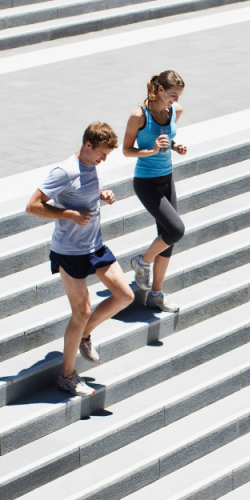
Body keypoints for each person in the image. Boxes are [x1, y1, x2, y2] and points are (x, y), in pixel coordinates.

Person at [26, 122, 135, 397]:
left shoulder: (90, 166)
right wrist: (69, 215)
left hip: (94, 246)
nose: (104, 159)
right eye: (102, 153)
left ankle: (84, 335)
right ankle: (66, 376)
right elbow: (33, 206)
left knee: (124, 295)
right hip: (69, 251)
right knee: (82, 311)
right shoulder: (64, 171)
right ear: (88, 145)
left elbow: (81, 192)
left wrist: (102, 195)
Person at [123, 70, 189, 312]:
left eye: (178, 96)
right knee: (176, 230)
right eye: (173, 95)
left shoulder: (175, 111)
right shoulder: (139, 115)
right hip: (146, 181)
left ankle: (156, 294)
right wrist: (151, 150)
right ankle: (141, 261)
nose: (176, 100)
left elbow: (165, 138)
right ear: (159, 90)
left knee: (168, 239)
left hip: (167, 178)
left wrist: (174, 146)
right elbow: (127, 150)